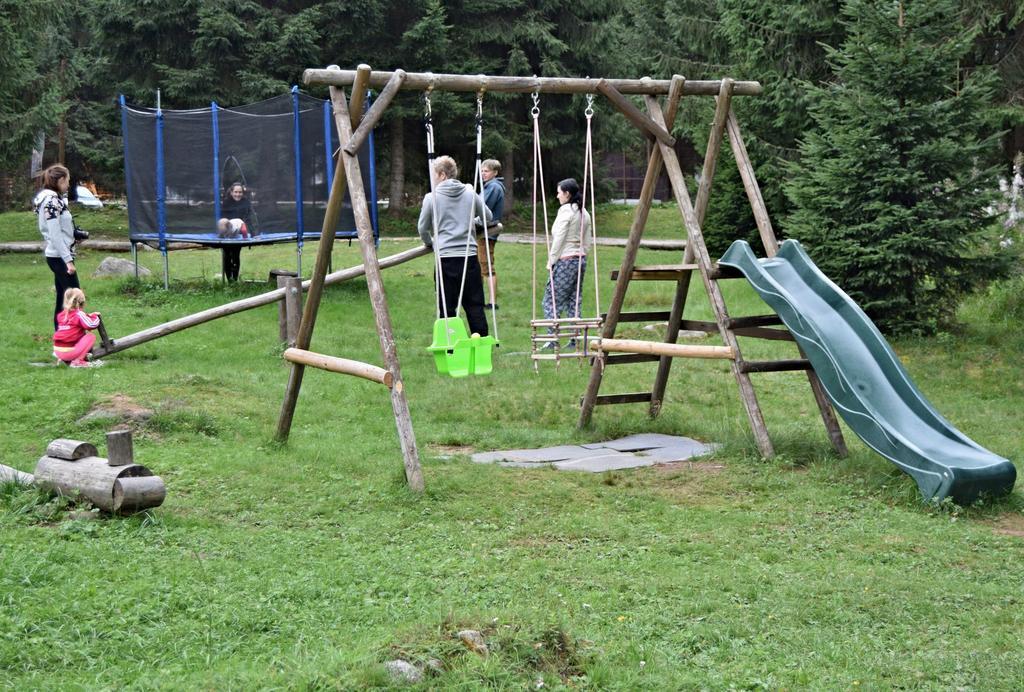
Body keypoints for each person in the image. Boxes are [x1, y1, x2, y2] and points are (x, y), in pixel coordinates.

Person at [417, 155, 492, 337]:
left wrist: (431, 243)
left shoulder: (431, 198)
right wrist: (471, 220)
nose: (432, 178)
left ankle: (450, 345)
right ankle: (481, 344)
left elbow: (422, 228)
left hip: (445, 258)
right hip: (469, 257)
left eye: (434, 174)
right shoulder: (469, 193)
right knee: (474, 304)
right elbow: (488, 217)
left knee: (447, 306)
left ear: (442, 175)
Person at [542, 178, 592, 347]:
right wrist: (582, 253)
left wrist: (551, 261)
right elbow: (587, 240)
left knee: (551, 300)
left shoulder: (566, 211)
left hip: (566, 259)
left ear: (567, 194)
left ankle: (552, 339)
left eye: (559, 192)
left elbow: (559, 237)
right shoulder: (583, 212)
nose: (557, 196)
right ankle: (575, 339)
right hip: (580, 259)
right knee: (574, 299)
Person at [34, 165, 81, 330]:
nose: (68, 184)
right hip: (59, 257)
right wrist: (68, 261)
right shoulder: (51, 202)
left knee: (63, 299)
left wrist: (73, 236)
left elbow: (60, 229)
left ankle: (61, 341)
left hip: (59, 254)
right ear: (61, 180)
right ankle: (72, 342)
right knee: (75, 298)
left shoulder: (53, 199)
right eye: (68, 180)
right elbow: (54, 234)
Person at [476, 158, 505, 309]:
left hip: (487, 233)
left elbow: (482, 207)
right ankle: (478, 299)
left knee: (487, 266)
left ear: (495, 172)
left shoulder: (493, 187)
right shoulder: (489, 186)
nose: (483, 173)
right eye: (482, 171)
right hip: (482, 232)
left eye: (486, 171)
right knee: (479, 266)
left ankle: (492, 303)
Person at [53, 288, 103, 368]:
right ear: (82, 303)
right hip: (69, 352)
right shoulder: (79, 314)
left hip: (58, 350)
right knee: (90, 336)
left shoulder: (62, 315)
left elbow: (75, 321)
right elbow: (91, 325)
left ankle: (62, 360)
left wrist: (87, 315)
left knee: (70, 336)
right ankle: (78, 361)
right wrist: (95, 316)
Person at [219, 182, 256, 281]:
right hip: (226, 232)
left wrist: (253, 234)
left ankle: (234, 280)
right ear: (231, 192)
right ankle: (229, 281)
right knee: (227, 255)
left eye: (240, 192)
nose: (238, 194)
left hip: (239, 232)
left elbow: (249, 219)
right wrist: (223, 233)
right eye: (235, 192)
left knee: (235, 254)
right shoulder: (226, 202)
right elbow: (222, 219)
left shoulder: (246, 202)